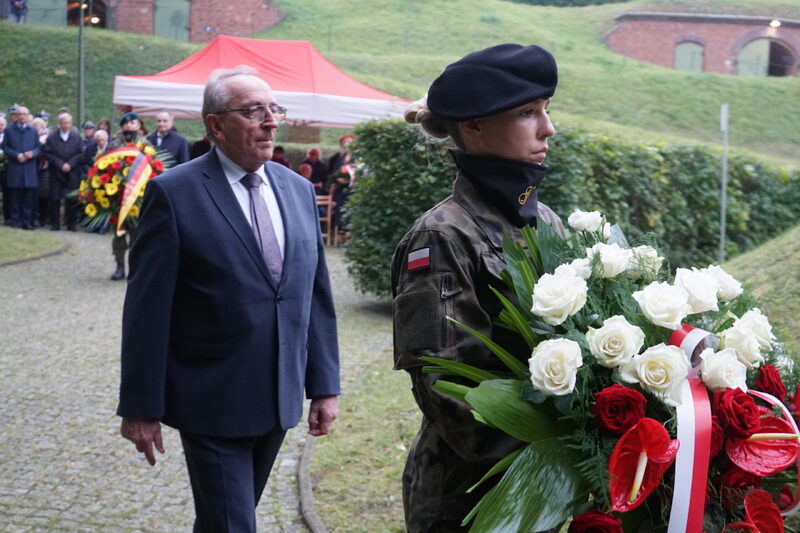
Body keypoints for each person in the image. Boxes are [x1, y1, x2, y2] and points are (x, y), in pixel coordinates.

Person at [117, 65, 340, 532]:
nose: (270, 121)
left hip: (278, 396)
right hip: (210, 399)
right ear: (215, 125)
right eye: (253, 110)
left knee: (224, 520)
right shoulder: (173, 195)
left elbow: (313, 296)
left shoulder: (298, 191)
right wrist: (141, 404)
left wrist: (324, 385)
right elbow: (147, 310)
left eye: (273, 109)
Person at [391, 43, 565, 533]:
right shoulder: (442, 237)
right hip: (467, 498)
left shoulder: (546, 222)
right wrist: (566, 446)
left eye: (546, 111)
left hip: (543, 486)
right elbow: (449, 390)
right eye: (527, 113)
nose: (547, 128)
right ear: (474, 125)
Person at [109, 112, 145, 279]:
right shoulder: (115, 145)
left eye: (133, 123)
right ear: (122, 126)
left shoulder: (146, 145)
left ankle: (136, 269)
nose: (129, 126)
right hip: (118, 198)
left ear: (139, 125)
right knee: (119, 234)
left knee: (138, 237)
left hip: (138, 200)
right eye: (126, 123)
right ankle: (119, 267)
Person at [44, 113, 84, 231]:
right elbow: (47, 153)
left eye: (68, 123)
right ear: (59, 124)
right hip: (56, 172)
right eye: (64, 123)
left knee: (72, 198)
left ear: (71, 124)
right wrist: (60, 164)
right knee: (55, 198)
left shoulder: (77, 137)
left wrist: (69, 164)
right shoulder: (51, 138)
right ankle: (55, 223)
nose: (66, 125)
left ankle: (71, 224)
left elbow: (80, 153)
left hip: (72, 173)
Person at [1, 106, 39, 229]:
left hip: (29, 167)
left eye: (24, 114)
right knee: (15, 196)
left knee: (28, 197)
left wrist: (32, 153)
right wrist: (16, 155)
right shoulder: (9, 130)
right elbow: (5, 147)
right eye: (20, 114)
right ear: (16, 116)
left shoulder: (33, 131)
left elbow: (39, 147)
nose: (22, 116)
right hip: (15, 167)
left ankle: (26, 221)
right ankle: (14, 220)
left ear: (28, 116)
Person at [326, 134, 356, 228]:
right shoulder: (339, 157)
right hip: (340, 190)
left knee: (351, 215)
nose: (347, 145)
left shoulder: (357, 158)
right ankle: (340, 234)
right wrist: (338, 178)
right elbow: (333, 173)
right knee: (340, 214)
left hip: (353, 190)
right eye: (345, 143)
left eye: (349, 143)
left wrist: (350, 179)